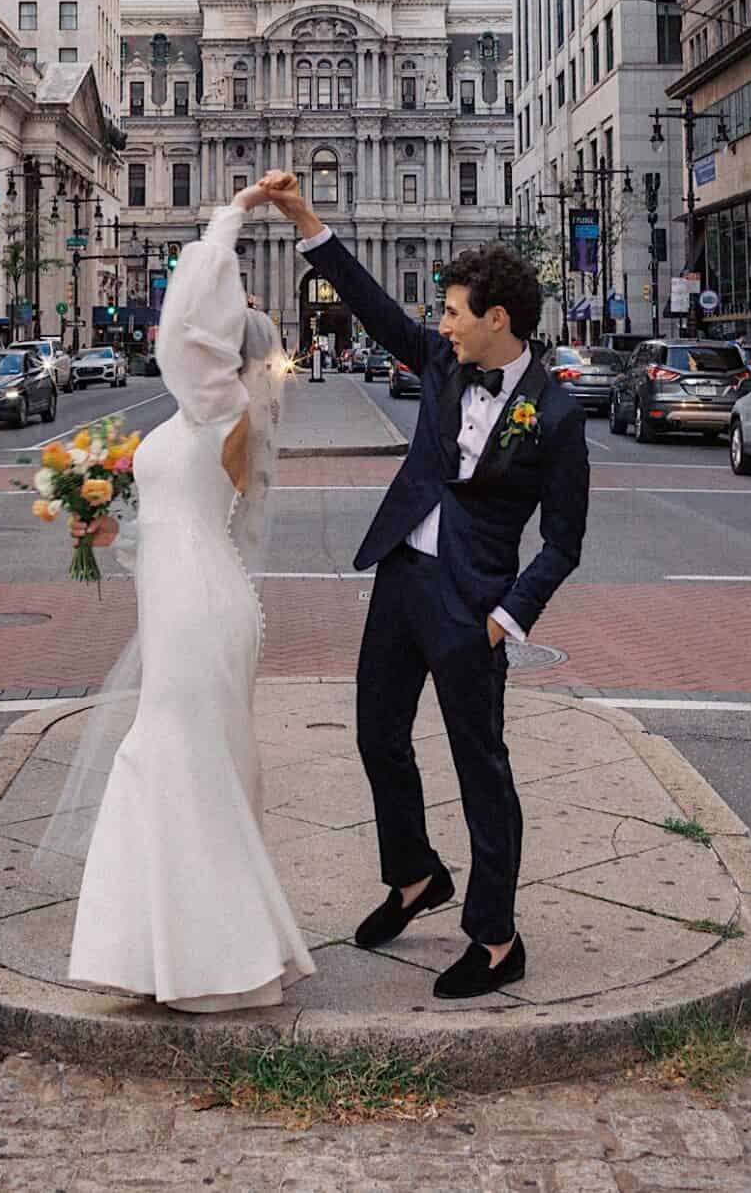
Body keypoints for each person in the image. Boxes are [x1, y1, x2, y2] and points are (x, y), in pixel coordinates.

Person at [252, 169, 589, 1001]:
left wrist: (509, 616)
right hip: (403, 575)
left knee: (483, 769)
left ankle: (496, 937)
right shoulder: (440, 360)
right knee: (377, 736)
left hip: (474, 605)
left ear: (496, 319)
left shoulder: (557, 414)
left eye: (453, 310)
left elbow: (566, 540)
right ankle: (413, 877)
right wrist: (305, 219)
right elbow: (372, 306)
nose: (440, 322)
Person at [56, 181, 314, 1011]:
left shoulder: (224, 405)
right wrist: (100, 524)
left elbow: (178, 325)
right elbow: (163, 520)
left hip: (200, 609)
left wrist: (232, 217)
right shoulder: (190, 419)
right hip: (182, 598)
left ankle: (214, 961)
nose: (192, 331)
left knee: (175, 759)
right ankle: (160, 955)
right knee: (176, 761)